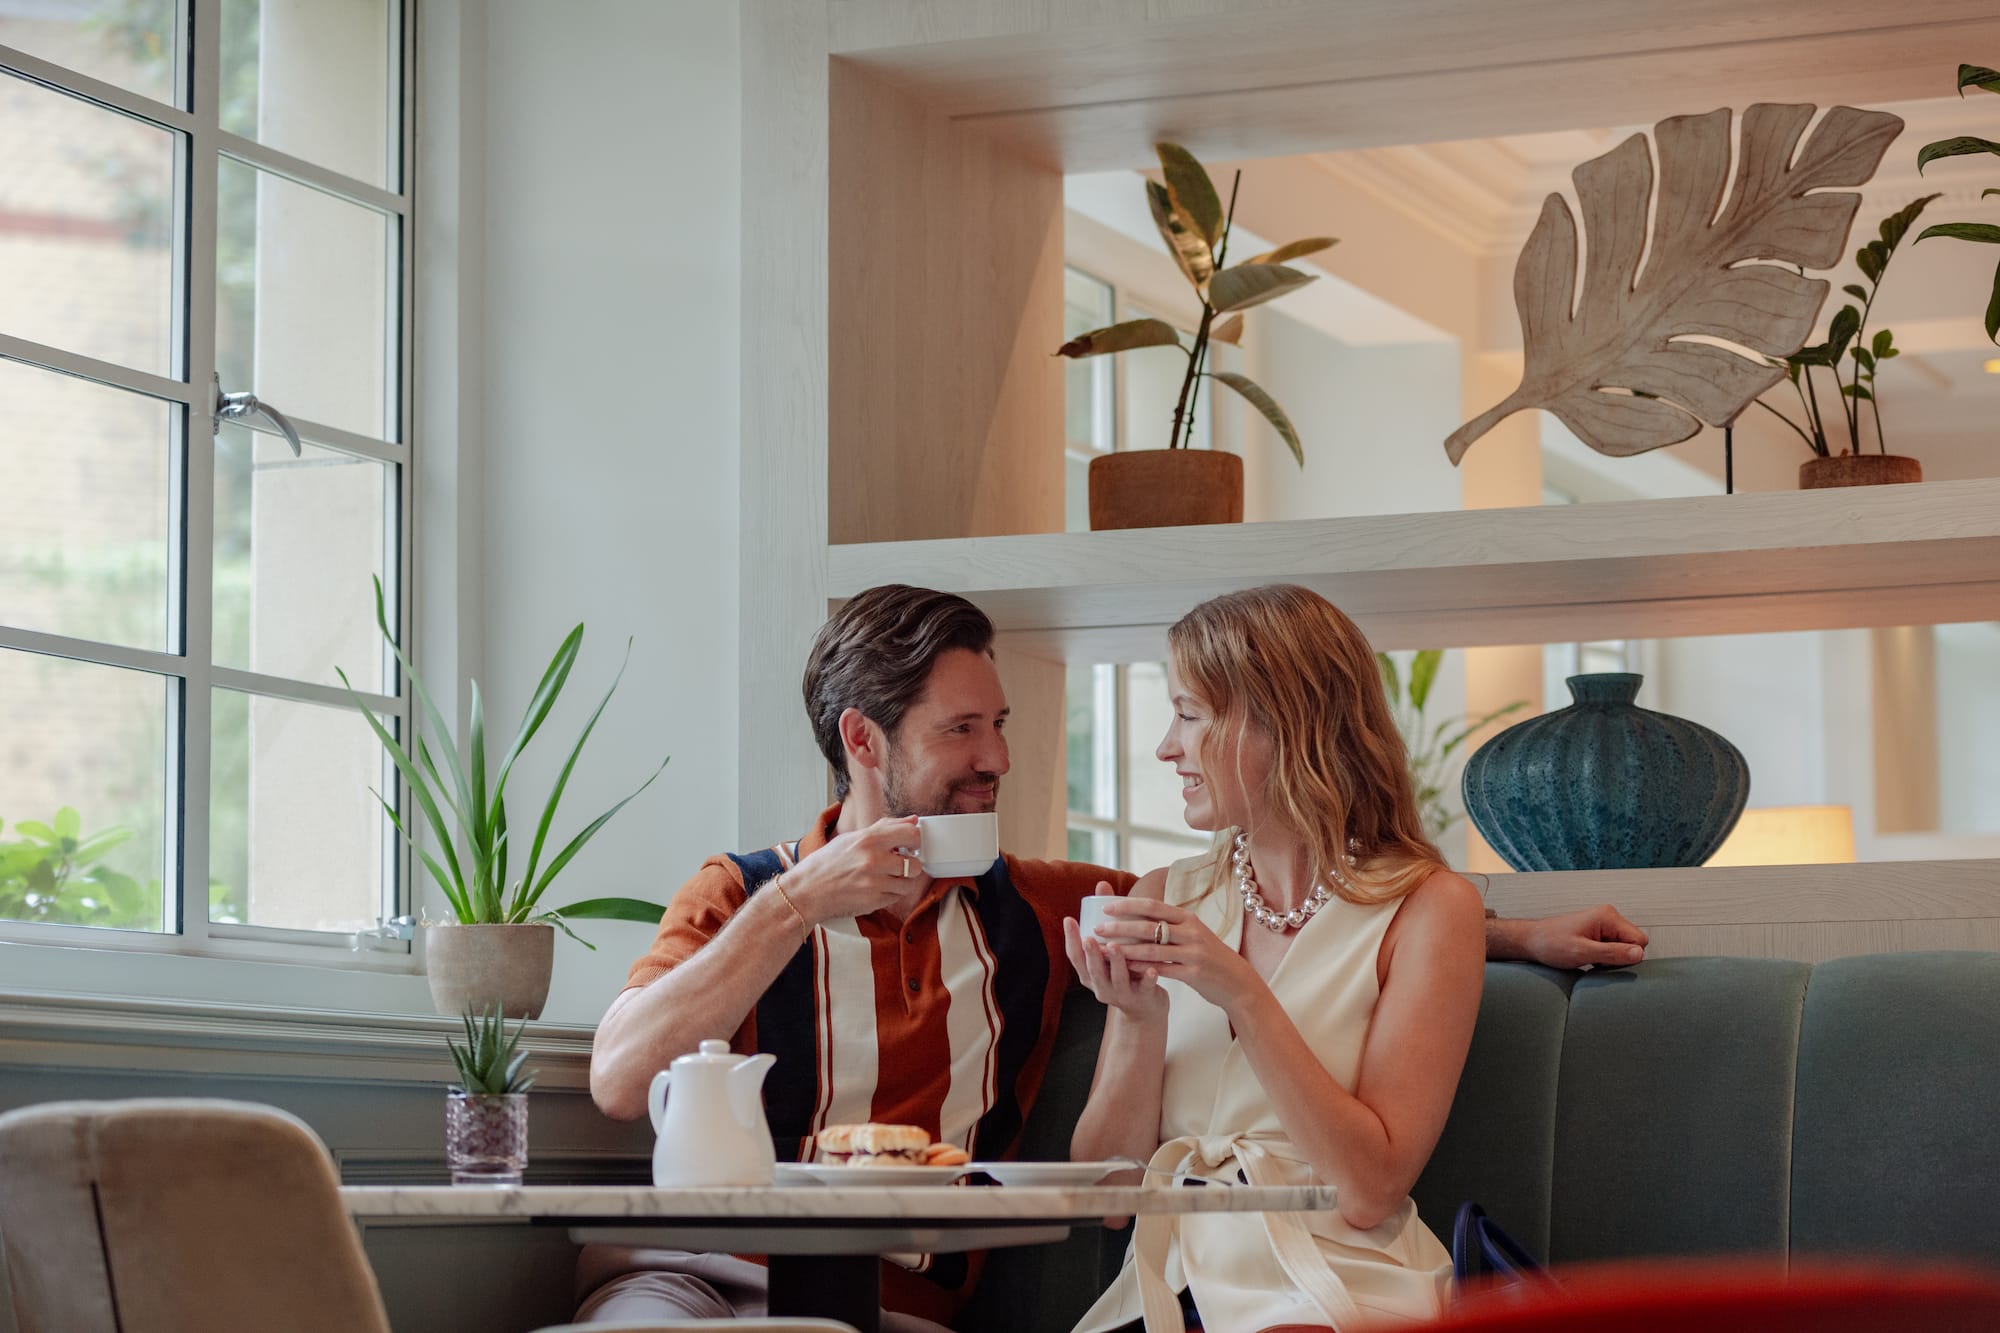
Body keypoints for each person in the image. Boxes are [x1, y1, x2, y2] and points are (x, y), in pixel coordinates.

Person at [582, 583, 1648, 1327]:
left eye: (998, 723)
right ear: (865, 741)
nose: (998, 757)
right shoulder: (741, 893)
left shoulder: (1033, 908)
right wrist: (796, 905)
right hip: (691, 1279)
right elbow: (621, 1076)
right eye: (964, 731)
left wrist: (1502, 933)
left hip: (893, 1310)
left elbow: (1331, 915)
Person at [1066, 585, 1486, 1333]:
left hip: (1343, 1282)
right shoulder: (1166, 896)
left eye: (1189, 714)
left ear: (1279, 724)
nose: (1167, 746)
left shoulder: (1430, 910)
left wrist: (1244, 995)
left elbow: (1369, 1188)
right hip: (1172, 1292)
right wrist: (1136, 1016)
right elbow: (1104, 1197)